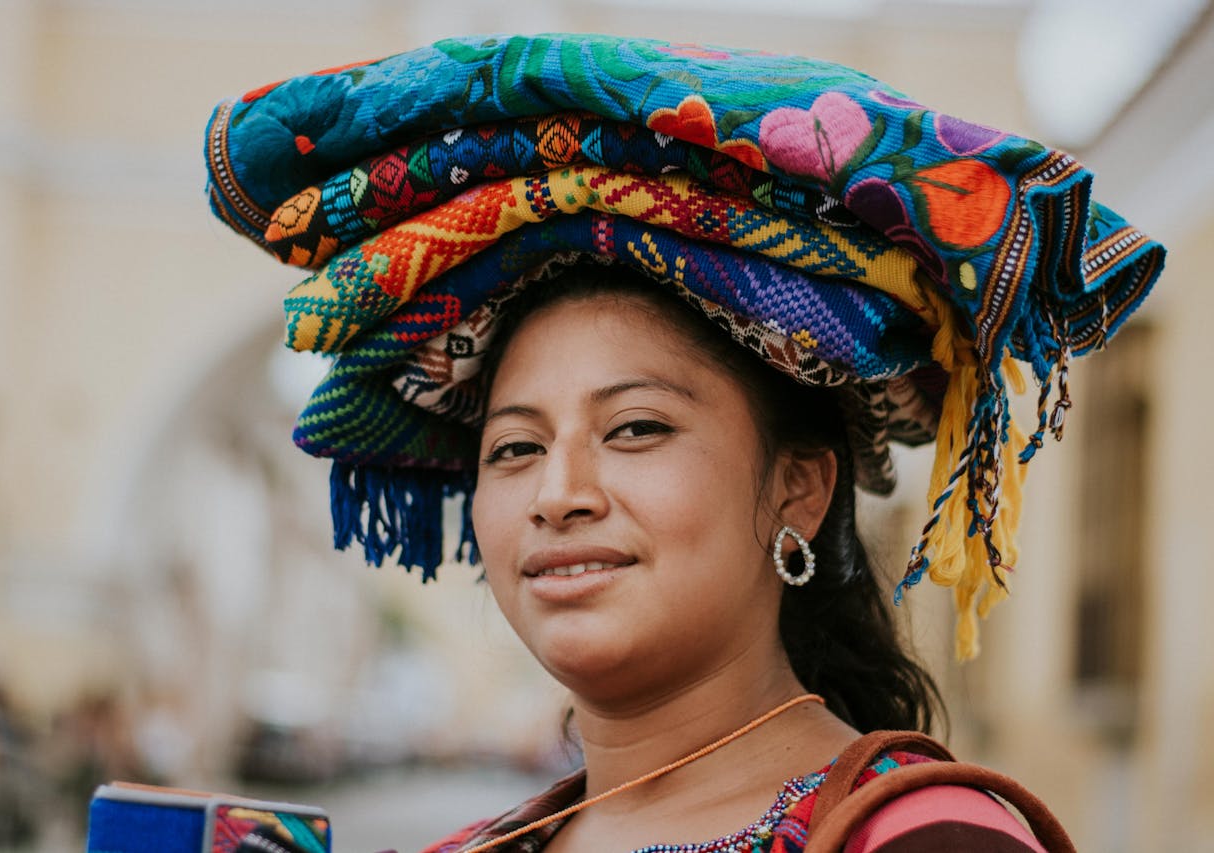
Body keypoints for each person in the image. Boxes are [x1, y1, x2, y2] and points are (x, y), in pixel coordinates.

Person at [204, 33, 1164, 851]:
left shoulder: (928, 839)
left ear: (799, 488)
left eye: (635, 428)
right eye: (514, 448)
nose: (557, 494)